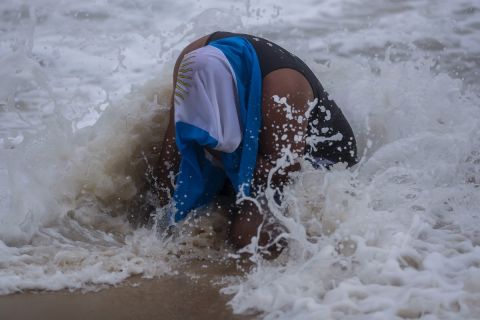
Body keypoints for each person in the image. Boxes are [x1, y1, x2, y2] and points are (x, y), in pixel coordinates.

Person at [153, 31, 357, 250]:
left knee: (248, 236)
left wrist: (220, 152)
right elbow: (175, 139)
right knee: (164, 190)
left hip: (315, 157)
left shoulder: (283, 91)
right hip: (251, 147)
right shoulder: (192, 59)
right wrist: (160, 207)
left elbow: (283, 172)